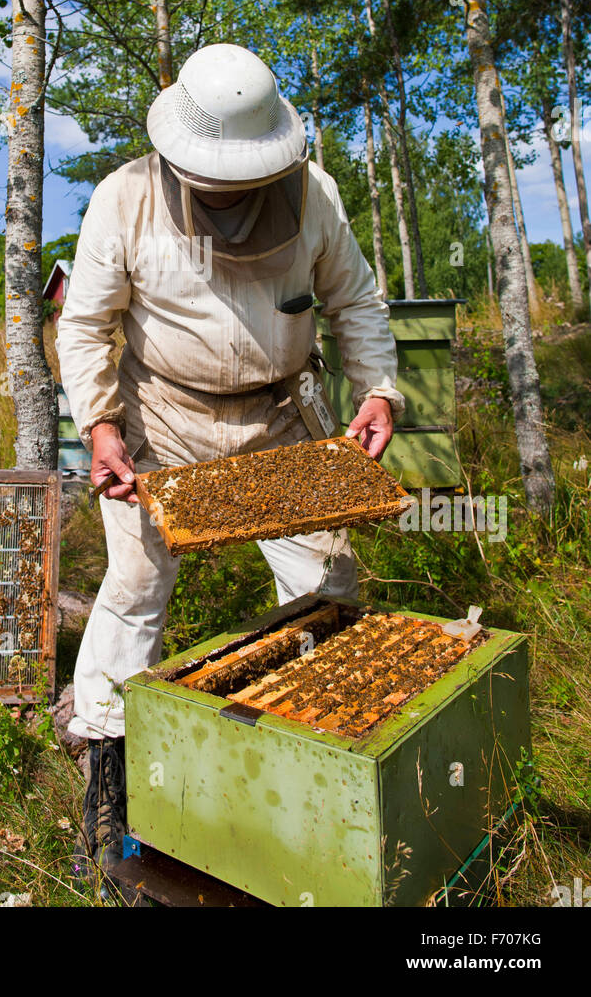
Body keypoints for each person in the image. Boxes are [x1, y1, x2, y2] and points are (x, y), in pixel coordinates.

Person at [56, 42, 404, 873]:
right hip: (160, 420)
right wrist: (100, 427)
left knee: (329, 584)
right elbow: (85, 325)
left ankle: (319, 753)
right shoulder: (126, 196)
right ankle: (109, 787)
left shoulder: (313, 195)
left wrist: (381, 388)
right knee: (136, 590)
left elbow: (354, 297)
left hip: (281, 415)